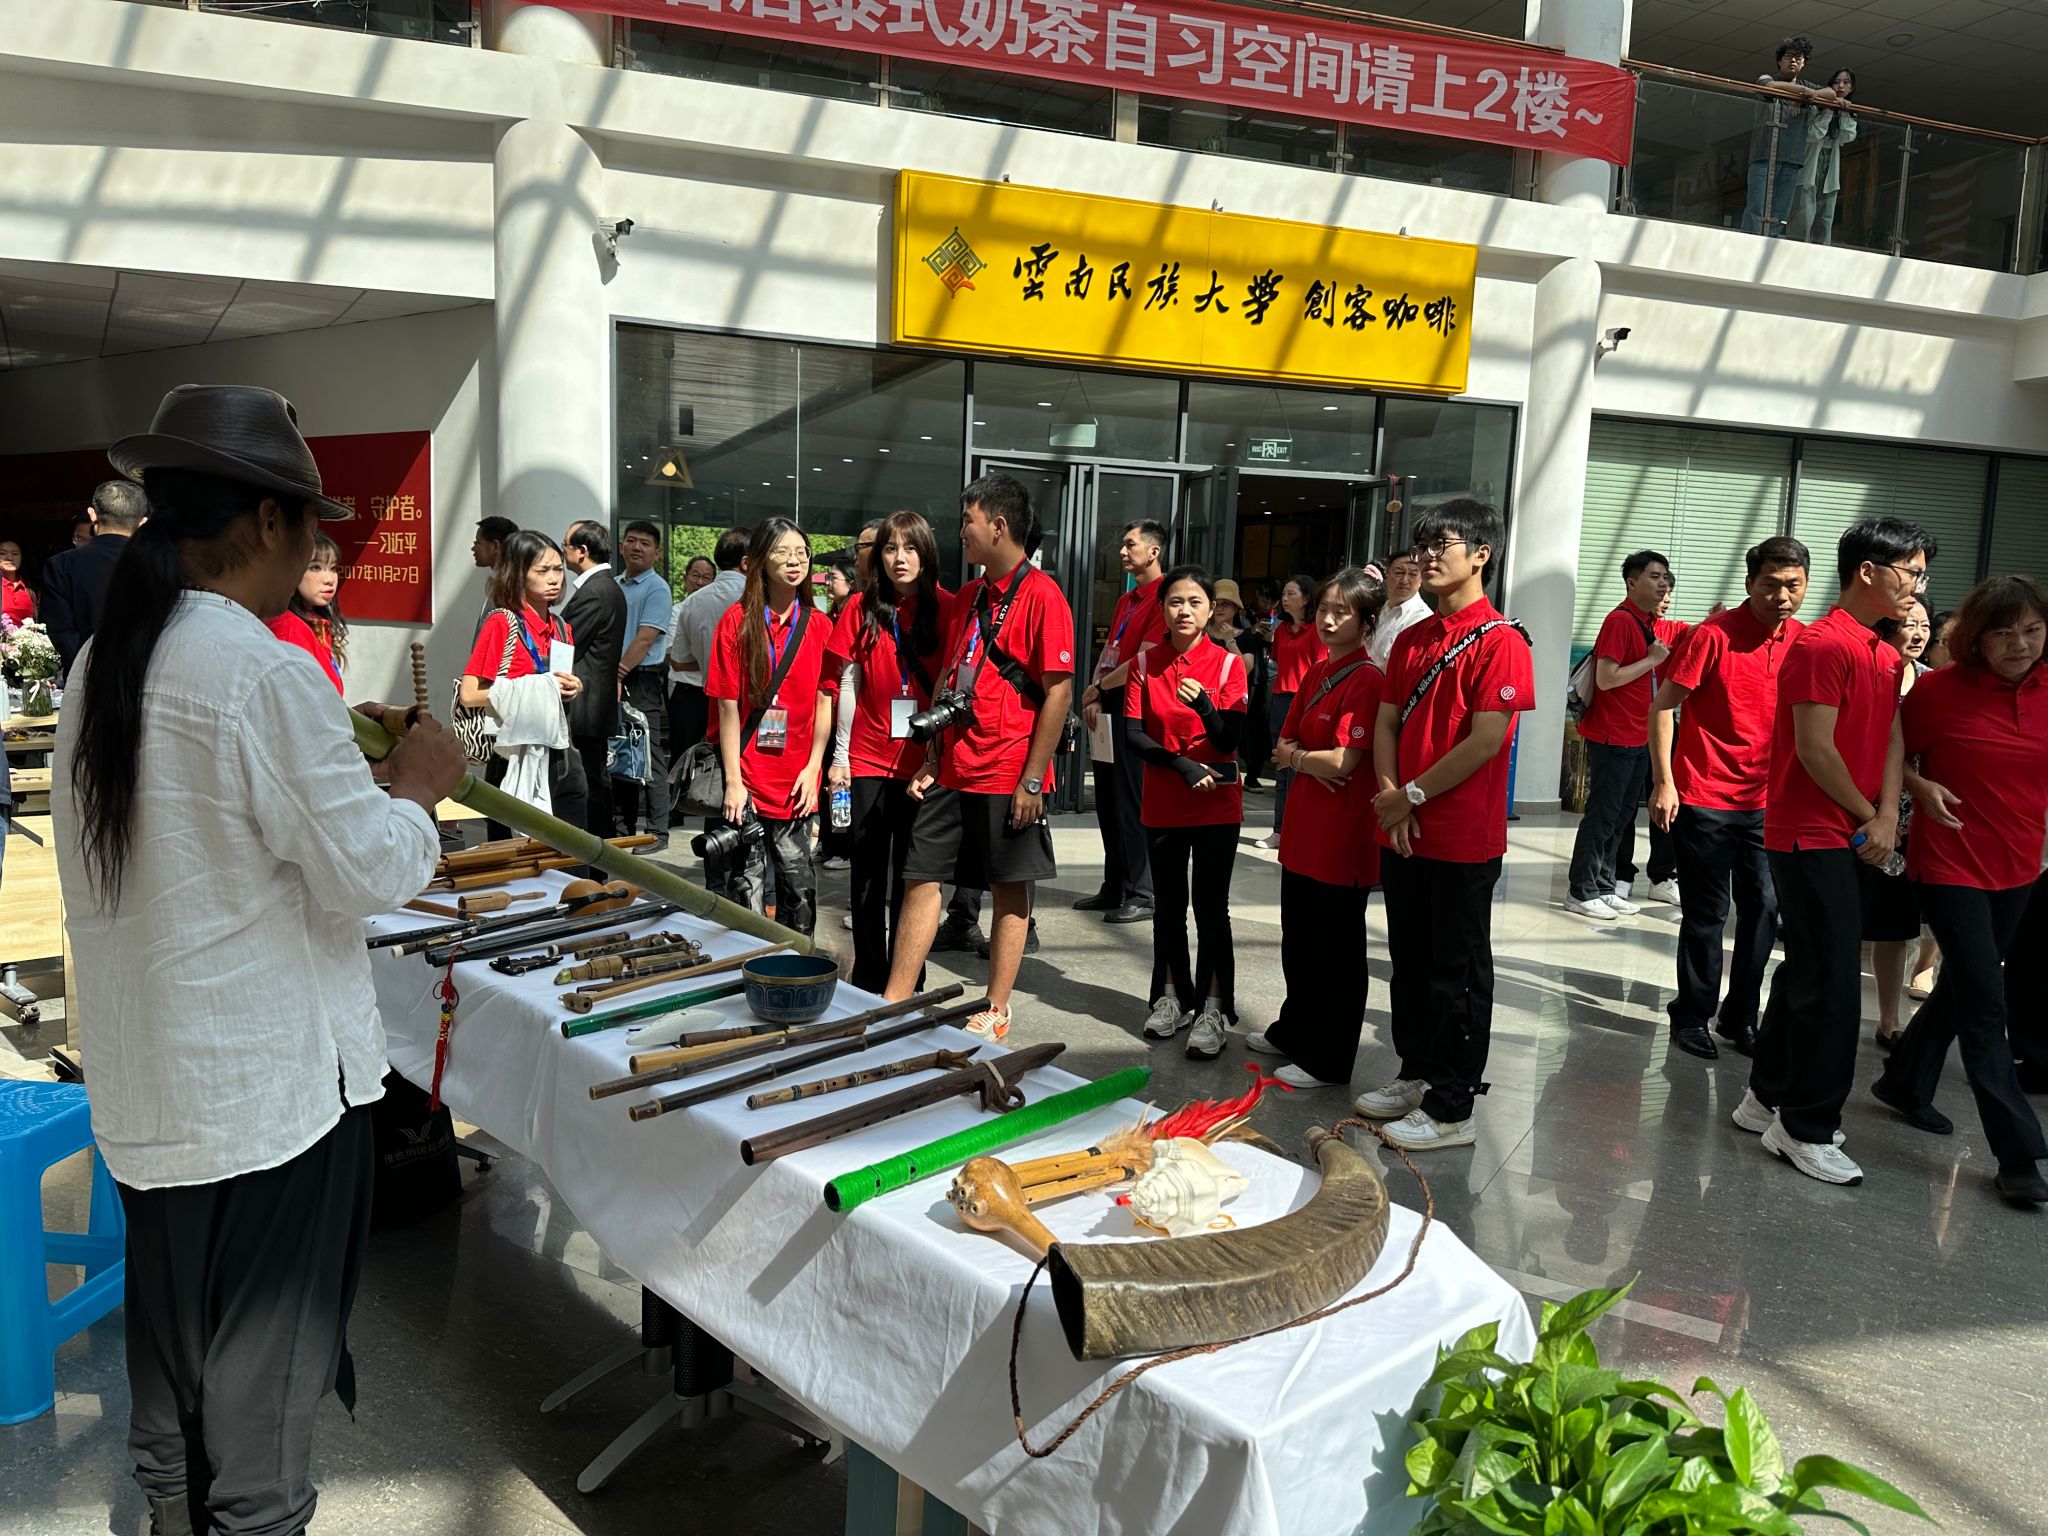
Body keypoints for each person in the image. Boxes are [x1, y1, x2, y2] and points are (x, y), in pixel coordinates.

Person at [52, 383, 467, 1536]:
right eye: (312, 529)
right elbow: (370, 869)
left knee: (172, 1375)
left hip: (153, 1096)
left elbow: (225, 834)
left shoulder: (106, 660)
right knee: (259, 1431)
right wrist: (418, 789)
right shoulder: (261, 669)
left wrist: (359, 776)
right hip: (266, 1110)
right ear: (270, 521)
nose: (315, 554)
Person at [1733, 516, 1935, 1187]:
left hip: (1852, 829)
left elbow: (1893, 738)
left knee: (1809, 972)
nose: (1918, 585)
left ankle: (1765, 1098)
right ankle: (1805, 1126)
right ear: (1868, 571)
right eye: (1911, 571)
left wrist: (1888, 812)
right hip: (1809, 834)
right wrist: (1869, 816)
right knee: (1834, 989)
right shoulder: (1822, 645)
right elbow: (1815, 749)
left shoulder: (1883, 651)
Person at [1872, 577, 2048, 1206]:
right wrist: (1918, 789)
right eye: (2003, 633)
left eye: (2032, 630)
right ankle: (2018, 1154)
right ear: (1975, 638)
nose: (2020, 644)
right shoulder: (1939, 692)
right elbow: (1887, 753)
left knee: (1965, 986)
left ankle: (1903, 1080)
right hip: (1950, 866)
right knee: (1985, 1003)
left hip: (2020, 865)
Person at [1363, 499, 1532, 1151]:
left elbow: (1486, 740)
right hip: (1403, 826)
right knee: (1409, 962)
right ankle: (1417, 1072)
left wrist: (1409, 795)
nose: (1428, 556)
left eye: (1443, 543)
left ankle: (1452, 1105)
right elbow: (1385, 722)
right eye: (1423, 544)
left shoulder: (1502, 642)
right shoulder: (1412, 638)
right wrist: (1389, 795)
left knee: (1455, 972)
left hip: (1461, 837)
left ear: (1481, 555)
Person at [885, 473, 1075, 1041]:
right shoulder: (970, 596)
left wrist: (1033, 780)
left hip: (1008, 768)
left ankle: (997, 1006)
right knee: (921, 875)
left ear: (999, 526)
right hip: (954, 764)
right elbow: (951, 674)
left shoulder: (1043, 596)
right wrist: (931, 756)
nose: (961, 532)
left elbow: (1059, 692)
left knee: (1008, 886)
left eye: (967, 521)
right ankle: (896, 997)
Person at [1649, 536, 1811, 1061]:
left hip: (1769, 803)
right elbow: (1663, 707)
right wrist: (1665, 781)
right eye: (1770, 585)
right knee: (1707, 912)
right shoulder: (1713, 635)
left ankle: (1740, 1015)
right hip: (1705, 795)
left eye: (1793, 586)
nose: (1781, 597)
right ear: (1749, 584)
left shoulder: (1805, 642)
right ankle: (1691, 1015)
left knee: (1763, 908)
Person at [1247, 567, 1387, 1089]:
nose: (1327, 620)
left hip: (1342, 836)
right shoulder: (1317, 673)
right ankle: (1295, 1030)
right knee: (1300, 940)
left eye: (1341, 612)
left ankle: (1330, 1058)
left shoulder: (1367, 680)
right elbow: (1282, 745)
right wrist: (1306, 759)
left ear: (1366, 622)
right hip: (1305, 829)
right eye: (1324, 609)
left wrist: (1301, 759)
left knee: (1336, 951)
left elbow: (1344, 762)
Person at [1126, 565, 1249, 1061]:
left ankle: (1214, 1008)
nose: (1184, 611)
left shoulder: (1228, 665)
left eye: (1195, 602)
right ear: (1163, 609)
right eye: (1175, 601)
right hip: (1164, 801)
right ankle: (1172, 997)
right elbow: (1134, 735)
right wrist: (1181, 764)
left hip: (1216, 804)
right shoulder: (1144, 664)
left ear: (1211, 609)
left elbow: (1228, 739)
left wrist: (1205, 709)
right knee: (1169, 906)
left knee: (1212, 908)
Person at [825, 511, 950, 990]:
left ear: (926, 553)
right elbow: (848, 682)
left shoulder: (947, 606)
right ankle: (869, 974)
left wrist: (940, 757)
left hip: (924, 764)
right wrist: (841, 757)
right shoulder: (861, 606)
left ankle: (906, 976)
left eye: (910, 548)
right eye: (891, 549)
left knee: (914, 876)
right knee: (867, 872)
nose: (900, 559)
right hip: (869, 758)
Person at [706, 518, 831, 934]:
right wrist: (733, 781)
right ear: (759, 560)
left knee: (800, 888)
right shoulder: (736, 621)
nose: (794, 561)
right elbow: (727, 707)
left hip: (797, 780)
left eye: (801, 553)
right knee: (747, 888)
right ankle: (748, 965)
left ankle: (798, 964)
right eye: (782, 552)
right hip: (749, 777)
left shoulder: (819, 625)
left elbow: (824, 701)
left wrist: (814, 768)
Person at [1566, 550, 1676, 921]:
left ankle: (1604, 885)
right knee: (1603, 815)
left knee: (1622, 816)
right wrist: (1651, 660)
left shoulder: (1646, 622)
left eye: (1665, 577)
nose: (1662, 583)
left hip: (1637, 735)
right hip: (1614, 736)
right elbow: (1606, 678)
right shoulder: (1620, 621)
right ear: (1632, 582)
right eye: (1654, 576)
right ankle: (1581, 890)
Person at [461, 531, 586, 826]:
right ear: (518, 574)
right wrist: (537, 688)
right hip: (512, 754)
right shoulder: (501, 622)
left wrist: (573, 686)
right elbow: (469, 694)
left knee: (571, 844)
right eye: (542, 571)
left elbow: (559, 682)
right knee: (516, 849)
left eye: (558, 569)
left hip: (561, 752)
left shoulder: (560, 626)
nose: (554, 579)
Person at [1077, 519, 1168, 924]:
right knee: (1108, 802)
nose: (1123, 552)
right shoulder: (1126, 600)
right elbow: (1111, 650)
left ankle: (1142, 893)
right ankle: (1114, 884)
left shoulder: (1163, 597)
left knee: (1132, 802)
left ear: (1154, 551)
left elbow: (1143, 662)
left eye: (1131, 545)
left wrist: (1099, 687)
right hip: (1108, 703)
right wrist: (1095, 691)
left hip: (1135, 709)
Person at [1866, 598, 1933, 1048]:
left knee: (1895, 926)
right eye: (1910, 623)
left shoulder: (1931, 682)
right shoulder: (1871, 675)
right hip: (1862, 812)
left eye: (1925, 624)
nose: (1919, 633)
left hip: (1915, 823)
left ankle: (1890, 1020)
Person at [671, 526, 750, 890]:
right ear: (748, 561)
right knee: (752, 793)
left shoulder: (694, 602)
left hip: (712, 703)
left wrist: (711, 663)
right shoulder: (759, 598)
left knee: (718, 788)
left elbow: (678, 660)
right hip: (757, 711)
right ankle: (748, 881)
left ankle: (715, 882)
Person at [561, 519, 628, 838]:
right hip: (594, 703)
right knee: (594, 778)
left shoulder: (596, 591)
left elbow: (565, 644)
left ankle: (597, 846)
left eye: (565, 545)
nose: (562, 553)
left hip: (585, 703)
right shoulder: (605, 587)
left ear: (582, 551)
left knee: (588, 782)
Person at [41, 479, 147, 679]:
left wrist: (88, 670)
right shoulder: (162, 565)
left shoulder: (61, 565)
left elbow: (60, 631)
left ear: (92, 515)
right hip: (146, 677)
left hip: (84, 679)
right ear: (143, 522)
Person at [1255, 574, 1326, 850]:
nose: (1285, 599)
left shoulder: (1317, 629)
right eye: (1283, 594)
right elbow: (1277, 663)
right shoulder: (1282, 630)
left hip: (1306, 701)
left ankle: (1298, 831)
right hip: (1280, 700)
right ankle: (1279, 830)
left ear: (1307, 598)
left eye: (1291, 594)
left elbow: (1320, 669)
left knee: (1301, 769)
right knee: (1282, 768)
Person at [613, 519, 672, 846]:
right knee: (620, 752)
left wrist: (619, 674)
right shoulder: (614, 585)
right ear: (622, 546)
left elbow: (646, 637)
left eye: (645, 543)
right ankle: (623, 831)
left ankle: (657, 832)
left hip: (640, 679)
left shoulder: (657, 588)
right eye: (632, 540)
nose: (637, 547)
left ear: (656, 553)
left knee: (649, 755)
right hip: (615, 676)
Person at [1740, 37, 1836, 238]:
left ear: (1804, 62)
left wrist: (1804, 97)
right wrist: (1802, 93)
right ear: (1779, 60)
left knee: (1780, 212)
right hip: (1764, 155)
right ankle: (1751, 243)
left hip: (1792, 158)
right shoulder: (1768, 78)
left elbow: (1831, 93)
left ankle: (1772, 245)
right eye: (1788, 56)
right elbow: (1769, 86)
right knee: (1756, 207)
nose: (1793, 61)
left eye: (1798, 58)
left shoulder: (1806, 85)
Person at [265, 530, 349, 694]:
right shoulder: (289, 630)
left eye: (333, 568)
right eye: (315, 567)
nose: (329, 579)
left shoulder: (314, 622)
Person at [1788, 69, 1857, 245]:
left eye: (1846, 82)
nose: (1841, 86)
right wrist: (1829, 108)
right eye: (1837, 82)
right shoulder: (1815, 105)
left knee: (1825, 218)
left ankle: (1821, 253)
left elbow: (1848, 136)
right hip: (1810, 165)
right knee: (1804, 216)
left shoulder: (1848, 110)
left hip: (1830, 168)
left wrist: (1844, 111)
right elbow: (1813, 134)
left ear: (1852, 88)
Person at [1229, 578, 1272, 788]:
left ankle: (1253, 774)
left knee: (1257, 728)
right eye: (1265, 600)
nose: (1268, 605)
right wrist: (1251, 631)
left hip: (1263, 678)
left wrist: (1271, 639)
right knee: (1240, 726)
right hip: (1242, 681)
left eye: (1273, 601)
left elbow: (1247, 664)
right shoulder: (1244, 617)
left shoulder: (1281, 619)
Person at [1367, 550, 1430, 668]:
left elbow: (1394, 667)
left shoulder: (1422, 619)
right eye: (1399, 572)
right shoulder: (1379, 609)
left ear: (1421, 579)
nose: (1404, 580)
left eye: (1413, 574)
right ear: (1387, 575)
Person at [470, 514, 517, 635]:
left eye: (477, 543)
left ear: (495, 546)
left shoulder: (510, 588)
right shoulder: (496, 582)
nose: (473, 548)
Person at [0, 539, 35, 626]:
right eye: (2, 553)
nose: (9, 558)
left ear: (21, 558)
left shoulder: (31, 587)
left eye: (15, 554)